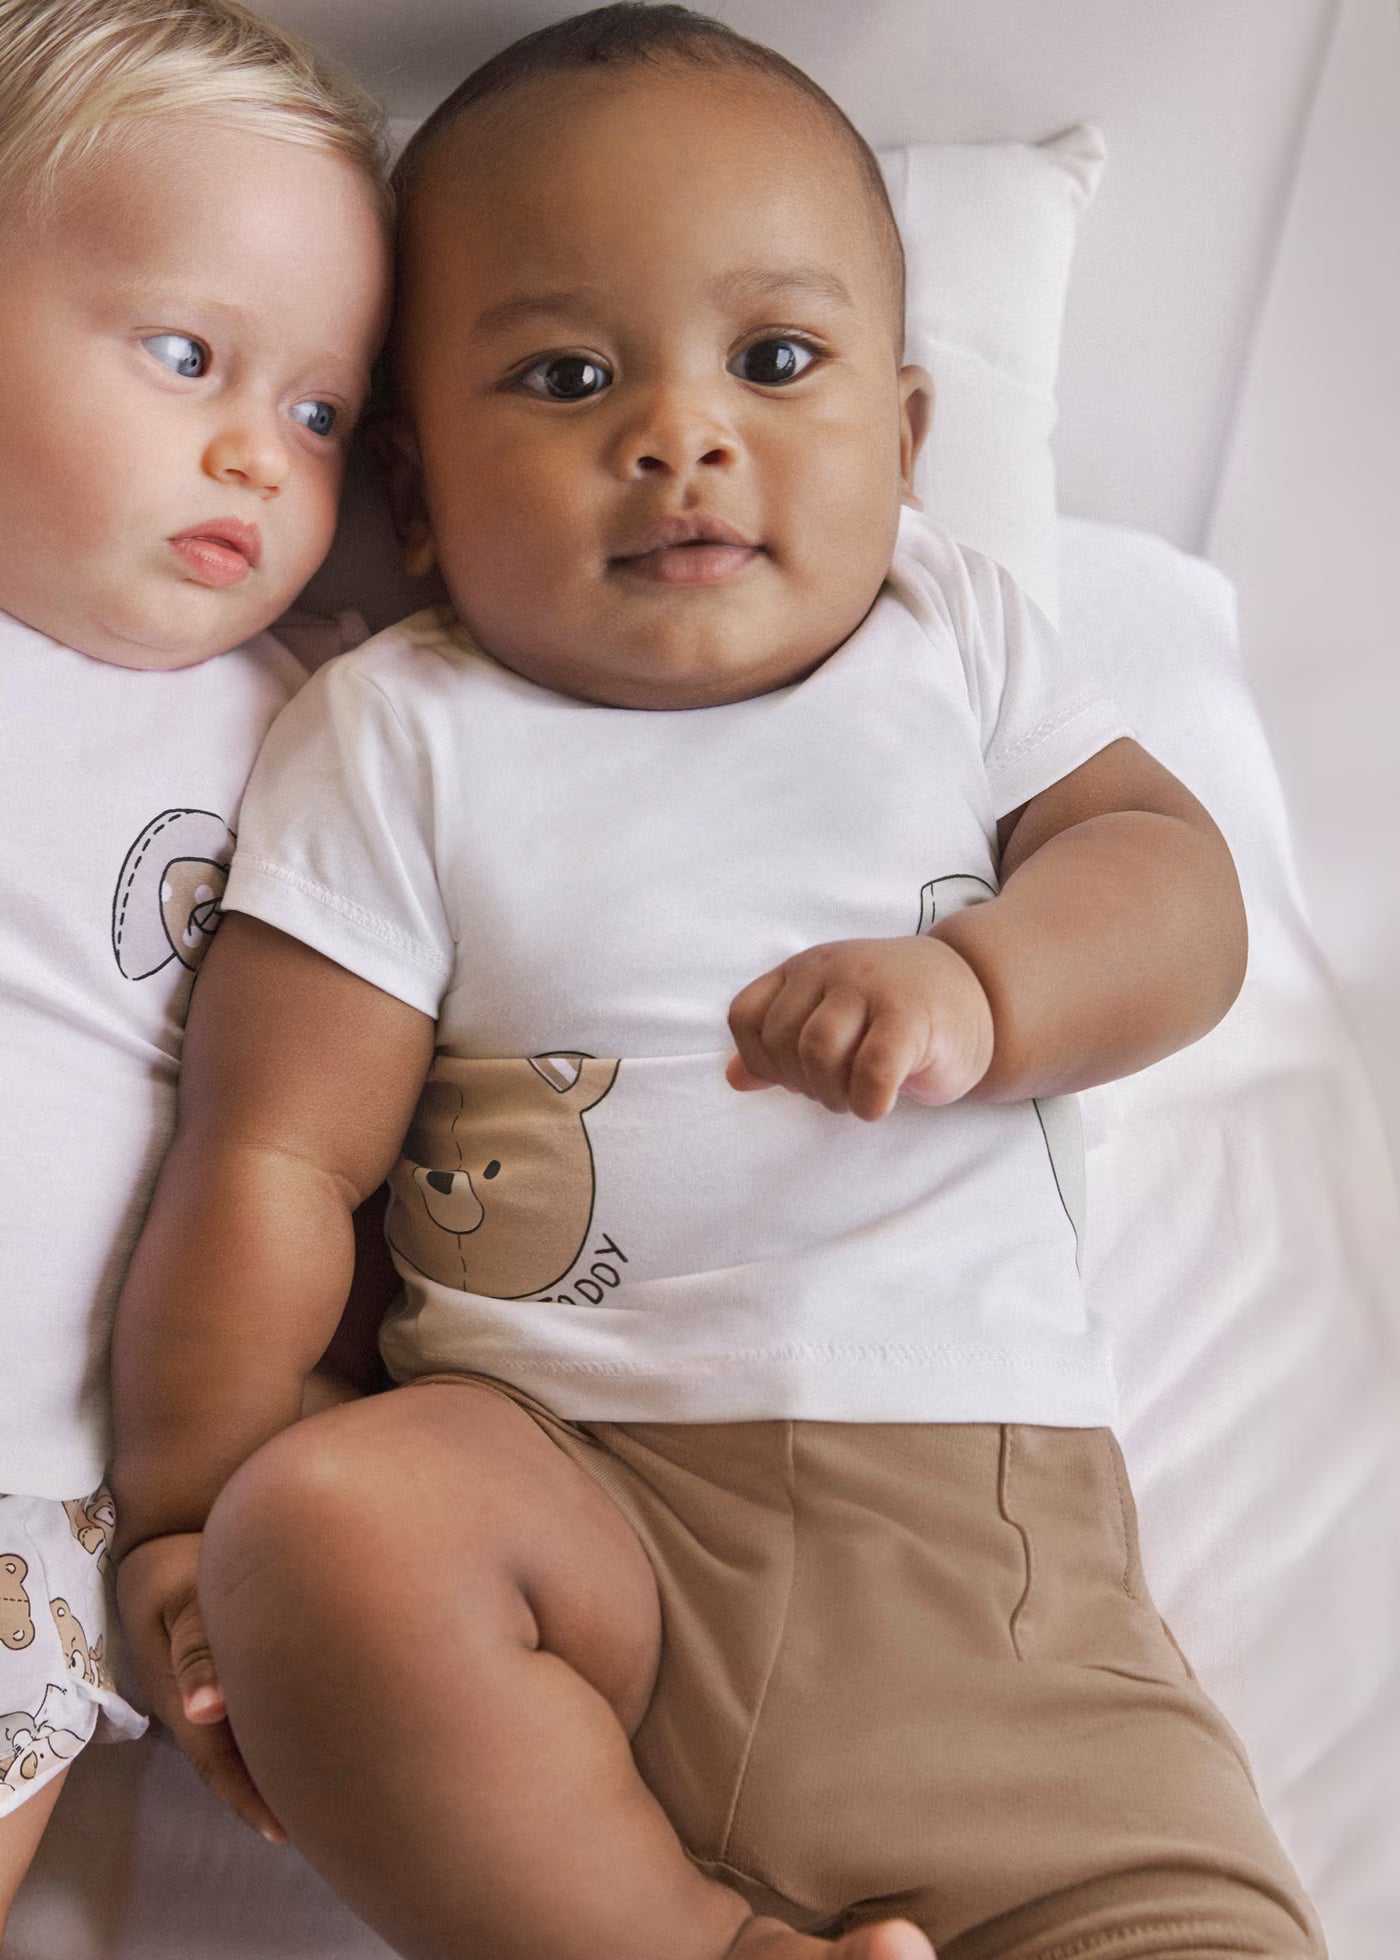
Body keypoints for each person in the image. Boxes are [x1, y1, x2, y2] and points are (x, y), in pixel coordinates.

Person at [111, 7, 1326, 1957]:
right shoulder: (397, 732)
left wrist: (982, 988)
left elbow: (1172, 892)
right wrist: (188, 1519)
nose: (679, 436)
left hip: (992, 1584)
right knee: (319, 1531)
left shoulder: (955, 634)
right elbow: (270, 1158)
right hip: (569, 1532)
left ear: (905, 443)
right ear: (417, 493)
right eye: (568, 376)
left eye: (773, 361)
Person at [0, 0, 390, 1931]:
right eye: (185, 355)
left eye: (321, 415)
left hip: (27, 1488)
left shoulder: (323, 728)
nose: (258, 451)